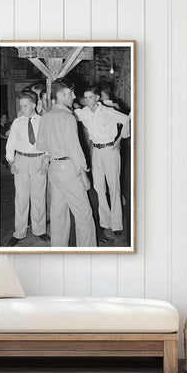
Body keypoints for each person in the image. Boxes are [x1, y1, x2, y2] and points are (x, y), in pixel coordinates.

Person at [36, 78, 96, 247]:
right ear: (62, 94)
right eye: (70, 93)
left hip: (54, 169)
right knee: (84, 215)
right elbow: (74, 149)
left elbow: (40, 145)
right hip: (69, 169)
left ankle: (58, 251)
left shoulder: (46, 117)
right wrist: (84, 172)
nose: (74, 96)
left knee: (58, 215)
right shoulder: (68, 118)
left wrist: (54, 147)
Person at [74, 84, 130, 235]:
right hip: (96, 152)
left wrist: (120, 140)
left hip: (110, 150)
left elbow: (129, 119)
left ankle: (117, 224)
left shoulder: (109, 111)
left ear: (97, 97)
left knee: (114, 187)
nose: (87, 100)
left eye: (90, 97)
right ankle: (105, 221)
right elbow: (72, 111)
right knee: (99, 187)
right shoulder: (84, 112)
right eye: (85, 98)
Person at [5, 90, 50, 246]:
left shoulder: (43, 121)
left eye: (25, 106)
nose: (22, 108)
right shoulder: (17, 122)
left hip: (38, 161)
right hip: (21, 161)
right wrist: (11, 163)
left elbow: (49, 141)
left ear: (34, 104)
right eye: (21, 106)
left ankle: (40, 230)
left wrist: (47, 157)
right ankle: (19, 232)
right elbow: (10, 144)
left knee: (38, 197)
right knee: (21, 199)